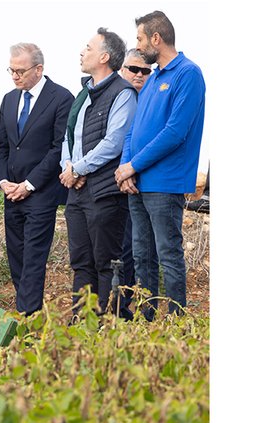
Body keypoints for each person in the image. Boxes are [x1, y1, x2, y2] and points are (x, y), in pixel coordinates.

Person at [115, 10, 206, 320]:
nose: (138, 46)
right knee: (142, 257)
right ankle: (147, 318)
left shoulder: (188, 74)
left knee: (168, 254)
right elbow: (133, 129)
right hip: (138, 182)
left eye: (140, 39)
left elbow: (175, 133)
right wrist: (127, 166)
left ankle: (178, 324)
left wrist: (133, 166)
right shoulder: (153, 78)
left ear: (156, 38)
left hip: (165, 184)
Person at [60, 28, 137, 319]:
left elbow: (114, 142)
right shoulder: (83, 93)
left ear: (104, 56)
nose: (82, 51)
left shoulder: (123, 93)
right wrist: (68, 168)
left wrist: (78, 168)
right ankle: (82, 326)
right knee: (81, 263)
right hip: (77, 191)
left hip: (105, 193)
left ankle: (107, 328)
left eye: (88, 47)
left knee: (107, 262)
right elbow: (70, 138)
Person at [0, 42, 74, 316]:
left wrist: (29, 185)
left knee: (33, 258)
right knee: (16, 255)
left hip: (40, 192)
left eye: (20, 71)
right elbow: (2, 146)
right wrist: (4, 181)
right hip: (11, 192)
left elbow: (58, 148)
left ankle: (26, 318)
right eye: (11, 70)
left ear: (38, 69)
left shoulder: (62, 98)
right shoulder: (9, 99)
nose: (15, 76)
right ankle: (29, 311)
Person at [117, 48, 156, 303]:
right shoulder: (114, 97)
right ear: (122, 69)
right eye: (134, 69)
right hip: (113, 182)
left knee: (140, 249)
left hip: (142, 184)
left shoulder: (152, 101)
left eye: (145, 71)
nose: (139, 75)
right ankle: (117, 304)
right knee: (119, 249)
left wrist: (131, 170)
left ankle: (135, 306)